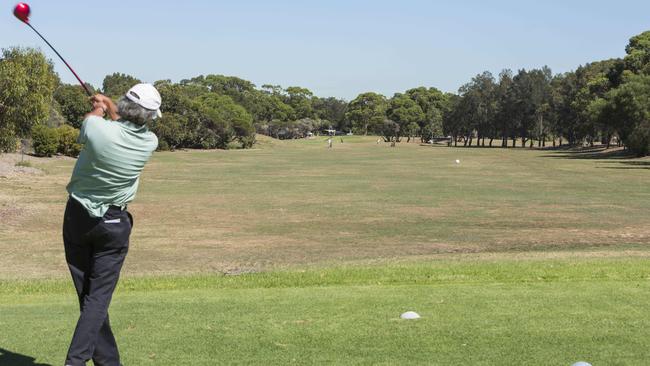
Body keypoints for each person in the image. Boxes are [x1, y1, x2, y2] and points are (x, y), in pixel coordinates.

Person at [63, 84, 161, 366]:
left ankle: (83, 362)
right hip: (115, 225)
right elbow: (124, 125)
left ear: (122, 104)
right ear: (150, 116)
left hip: (78, 218)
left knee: (90, 296)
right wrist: (108, 104)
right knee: (97, 299)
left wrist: (99, 106)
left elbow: (93, 123)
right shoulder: (149, 142)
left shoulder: (96, 128)